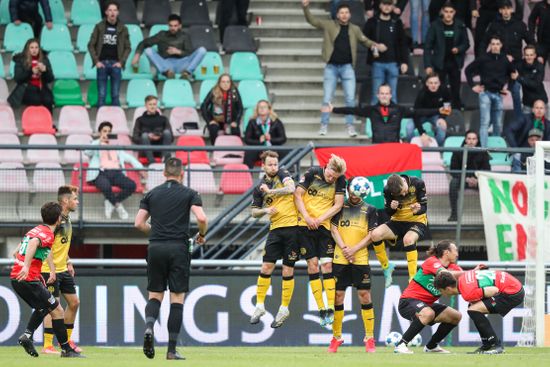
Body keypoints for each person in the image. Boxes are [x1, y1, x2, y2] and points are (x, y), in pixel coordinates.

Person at [135, 157, 208, 360]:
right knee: (176, 298)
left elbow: (139, 223)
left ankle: (149, 327)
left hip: (156, 247)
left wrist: (155, 231)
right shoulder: (189, 194)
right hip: (178, 248)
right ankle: (171, 350)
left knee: (155, 295)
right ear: (182, 173)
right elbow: (201, 218)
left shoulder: (152, 194)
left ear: (164, 173)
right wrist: (201, 234)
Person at [327, 179, 395, 353]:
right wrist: (344, 248)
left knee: (365, 296)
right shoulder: (339, 205)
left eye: (359, 195)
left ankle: (369, 338)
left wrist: (354, 250)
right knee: (338, 297)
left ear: (363, 193)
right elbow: (333, 229)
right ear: (349, 189)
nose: (355, 197)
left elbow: (372, 235)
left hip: (360, 259)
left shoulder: (370, 209)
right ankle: (336, 337)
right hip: (340, 258)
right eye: (353, 193)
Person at [10, 202, 81, 358]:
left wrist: (47, 270)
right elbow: (35, 244)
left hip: (18, 279)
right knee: (57, 310)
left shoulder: (36, 230)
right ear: (57, 219)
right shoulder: (48, 234)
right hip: (27, 278)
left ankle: (27, 336)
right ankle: (66, 350)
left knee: (44, 308)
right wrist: (27, 267)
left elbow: (16, 252)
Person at [302, 0, 378, 137]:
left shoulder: (354, 29)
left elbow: (365, 40)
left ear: (350, 15)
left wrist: (375, 45)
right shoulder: (329, 25)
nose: (344, 15)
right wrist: (306, 8)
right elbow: (312, 21)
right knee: (327, 98)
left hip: (347, 67)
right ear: (337, 15)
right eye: (341, 13)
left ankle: (350, 126)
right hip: (331, 67)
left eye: (346, 13)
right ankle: (324, 125)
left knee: (350, 99)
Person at [294, 155, 347, 326]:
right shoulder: (312, 173)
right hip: (304, 225)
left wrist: (319, 219)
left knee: (327, 265)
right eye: (331, 175)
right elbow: (298, 195)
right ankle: (321, 308)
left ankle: (330, 308)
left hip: (323, 227)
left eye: (335, 177)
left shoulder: (340, 180)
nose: (332, 179)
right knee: (313, 264)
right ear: (327, 167)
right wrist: (307, 217)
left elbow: (338, 205)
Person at [249, 151, 299, 329]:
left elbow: (291, 188)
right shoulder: (259, 187)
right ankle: (260, 306)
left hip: (293, 228)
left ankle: (284, 308)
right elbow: (253, 212)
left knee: (287, 270)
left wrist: (271, 191)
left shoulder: (283, 174)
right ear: (263, 165)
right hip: (275, 231)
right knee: (266, 267)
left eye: (275, 164)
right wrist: (265, 211)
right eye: (270, 164)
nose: (273, 167)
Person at [393, 240, 463, 354]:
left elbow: (460, 286)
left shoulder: (455, 268)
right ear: (446, 252)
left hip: (427, 305)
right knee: (428, 313)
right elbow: (443, 274)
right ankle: (401, 345)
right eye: (455, 250)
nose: (457, 253)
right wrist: (469, 272)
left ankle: (431, 346)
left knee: (456, 316)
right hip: (408, 302)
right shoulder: (432, 262)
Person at [434, 269, 524, 354]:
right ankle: (487, 345)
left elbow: (494, 290)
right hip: (514, 285)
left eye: (441, 291)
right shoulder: (463, 278)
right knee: (473, 308)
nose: (442, 294)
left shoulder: (467, 293)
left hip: (512, 293)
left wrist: (492, 301)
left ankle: (495, 345)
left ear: (448, 289)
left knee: (473, 310)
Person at [40, 186, 82, 355]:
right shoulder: (55, 221)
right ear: (65, 201)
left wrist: (68, 261)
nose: (77, 202)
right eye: (75, 199)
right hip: (50, 270)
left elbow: (61, 245)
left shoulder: (67, 218)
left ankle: (66, 340)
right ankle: (47, 345)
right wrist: (51, 270)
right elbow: (47, 245)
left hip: (63, 269)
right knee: (53, 307)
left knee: (74, 303)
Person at [326, 84, 442, 143]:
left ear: (391, 95)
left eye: (387, 93)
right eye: (382, 93)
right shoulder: (371, 110)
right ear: (378, 95)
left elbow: (418, 112)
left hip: (393, 147)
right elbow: (352, 110)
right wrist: (334, 109)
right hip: (377, 147)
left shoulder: (399, 109)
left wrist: (438, 111)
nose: (384, 96)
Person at [370, 174, 427, 281]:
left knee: (408, 240)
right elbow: (388, 212)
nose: (404, 194)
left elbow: (424, 207)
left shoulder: (418, 183)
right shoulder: (387, 190)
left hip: (416, 221)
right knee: (375, 234)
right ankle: (386, 267)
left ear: (404, 182)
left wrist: (417, 210)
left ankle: (412, 278)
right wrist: (392, 208)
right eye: (401, 194)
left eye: (404, 191)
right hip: (397, 221)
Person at [85, 121, 145, 220]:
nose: (107, 133)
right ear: (100, 132)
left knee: (131, 185)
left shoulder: (115, 146)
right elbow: (87, 152)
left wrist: (141, 168)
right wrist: (99, 141)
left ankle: (110, 202)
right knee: (106, 186)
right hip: (100, 173)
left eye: (109, 131)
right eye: (104, 131)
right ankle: (118, 206)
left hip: (116, 172)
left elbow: (130, 158)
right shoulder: (95, 144)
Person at [465, 35, 515, 147]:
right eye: (493, 44)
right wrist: (472, 86)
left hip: (498, 94)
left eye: (497, 44)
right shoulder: (483, 58)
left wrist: (509, 89)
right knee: (485, 122)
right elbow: (468, 70)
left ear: (501, 45)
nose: (495, 46)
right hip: (485, 93)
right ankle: (484, 150)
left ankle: (496, 149)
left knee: (498, 124)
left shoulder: (505, 59)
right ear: (490, 45)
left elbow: (513, 74)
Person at [424, 1, 470, 109]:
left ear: (454, 13)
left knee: (456, 88)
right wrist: (427, 65)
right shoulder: (435, 25)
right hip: (440, 63)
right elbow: (427, 47)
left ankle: (456, 110)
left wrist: (458, 49)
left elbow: (466, 43)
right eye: (446, 12)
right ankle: (439, 109)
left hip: (455, 62)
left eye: (451, 12)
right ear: (442, 12)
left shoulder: (460, 25)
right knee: (440, 88)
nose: (448, 14)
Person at [132, 14, 206, 80]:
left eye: (175, 26)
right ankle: (166, 73)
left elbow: (189, 53)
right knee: (148, 50)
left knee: (202, 50)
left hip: (182, 64)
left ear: (180, 26)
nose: (173, 28)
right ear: (168, 25)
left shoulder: (185, 36)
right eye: (171, 25)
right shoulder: (161, 35)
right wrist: (137, 55)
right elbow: (144, 43)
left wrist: (178, 51)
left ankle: (187, 73)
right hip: (166, 64)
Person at [363, 0, 409, 104]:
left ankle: (393, 120)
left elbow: (403, 44)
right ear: (380, 5)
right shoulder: (372, 22)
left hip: (394, 63)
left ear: (393, 6)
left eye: (389, 4)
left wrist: (404, 62)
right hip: (377, 63)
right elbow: (363, 39)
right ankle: (374, 119)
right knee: (376, 95)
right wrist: (375, 45)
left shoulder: (397, 22)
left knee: (392, 97)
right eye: (384, 4)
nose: (387, 7)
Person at [87, 0, 131, 107]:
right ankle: (100, 121)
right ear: (106, 12)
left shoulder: (123, 28)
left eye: (115, 10)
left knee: (115, 95)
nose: (112, 12)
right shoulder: (99, 27)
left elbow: (128, 47)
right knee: (101, 95)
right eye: (110, 10)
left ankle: (117, 121)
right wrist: (96, 61)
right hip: (102, 64)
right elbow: (90, 45)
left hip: (116, 64)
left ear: (118, 12)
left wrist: (121, 62)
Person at [448, 130, 491, 221]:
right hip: (463, 179)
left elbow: (487, 170)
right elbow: (453, 170)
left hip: (478, 180)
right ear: (465, 140)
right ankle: (454, 214)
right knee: (453, 183)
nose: (471, 141)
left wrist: (477, 179)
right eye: (469, 138)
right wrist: (466, 179)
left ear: (477, 140)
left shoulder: (483, 153)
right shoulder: (458, 152)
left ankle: (489, 215)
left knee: (489, 185)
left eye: (474, 139)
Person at [480, 0, 534, 65]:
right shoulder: (494, 25)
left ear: (512, 10)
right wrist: (483, 57)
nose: (506, 11)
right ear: (500, 10)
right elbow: (484, 42)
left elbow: (531, 41)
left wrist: (537, 55)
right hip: (499, 61)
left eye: (508, 8)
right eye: (503, 9)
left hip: (516, 62)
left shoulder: (520, 25)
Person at [8, 38, 54, 113]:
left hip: (42, 87)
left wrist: (45, 71)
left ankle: (48, 122)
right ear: (27, 49)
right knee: (36, 100)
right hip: (26, 88)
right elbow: (18, 79)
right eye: (32, 47)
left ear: (39, 49)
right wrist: (30, 71)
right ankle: (34, 122)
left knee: (48, 100)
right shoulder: (20, 60)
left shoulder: (44, 59)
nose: (34, 50)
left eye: (36, 47)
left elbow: (51, 78)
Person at [407, 73, 452, 146]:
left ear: (439, 83)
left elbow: (447, 104)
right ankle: (412, 147)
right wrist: (422, 133)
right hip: (421, 116)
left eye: (435, 83)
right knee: (409, 128)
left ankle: (435, 147)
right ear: (427, 84)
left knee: (442, 130)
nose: (433, 85)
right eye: (431, 83)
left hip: (436, 116)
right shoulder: (422, 93)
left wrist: (442, 118)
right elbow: (416, 113)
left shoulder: (444, 90)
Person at [505, 101, 550, 172]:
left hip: (541, 154)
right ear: (533, 109)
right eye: (537, 108)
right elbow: (509, 130)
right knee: (517, 158)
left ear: (545, 110)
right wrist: (516, 150)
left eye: (541, 108)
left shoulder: (548, 124)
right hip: (523, 152)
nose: (539, 110)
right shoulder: (525, 119)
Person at [200, 73, 243, 145]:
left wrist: (236, 121)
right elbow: (204, 105)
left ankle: (236, 151)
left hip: (230, 120)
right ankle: (215, 149)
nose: (225, 84)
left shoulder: (234, 92)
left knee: (235, 130)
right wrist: (209, 121)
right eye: (223, 82)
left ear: (230, 83)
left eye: (228, 82)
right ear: (219, 83)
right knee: (213, 129)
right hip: (217, 121)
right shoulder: (214, 91)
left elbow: (240, 108)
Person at [243, 100, 287, 168]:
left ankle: (285, 176)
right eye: (260, 107)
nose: (262, 109)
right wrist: (259, 141)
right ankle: (246, 177)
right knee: (249, 153)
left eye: (264, 107)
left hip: (273, 148)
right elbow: (247, 139)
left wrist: (271, 139)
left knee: (285, 152)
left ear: (269, 109)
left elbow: (283, 138)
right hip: (258, 149)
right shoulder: (252, 122)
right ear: (257, 110)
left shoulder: (276, 121)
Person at [132, 95, 173, 164]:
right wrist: (148, 137)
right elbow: (135, 138)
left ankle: (165, 160)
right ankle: (152, 162)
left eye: (154, 104)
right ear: (146, 105)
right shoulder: (139, 120)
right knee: (144, 135)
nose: (152, 106)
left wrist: (160, 136)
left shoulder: (163, 119)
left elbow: (171, 138)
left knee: (167, 132)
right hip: (145, 150)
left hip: (161, 149)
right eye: (150, 104)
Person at [510, 45, 548, 120]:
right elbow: (507, 70)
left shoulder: (540, 66)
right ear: (524, 55)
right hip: (527, 103)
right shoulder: (519, 65)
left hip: (541, 103)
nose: (529, 57)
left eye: (531, 55)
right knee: (526, 129)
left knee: (544, 129)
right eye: (527, 55)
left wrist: (519, 78)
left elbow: (535, 84)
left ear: (535, 55)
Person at [528, 0, 550, 65]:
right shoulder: (540, 5)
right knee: (540, 65)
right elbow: (531, 19)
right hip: (542, 42)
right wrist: (532, 33)